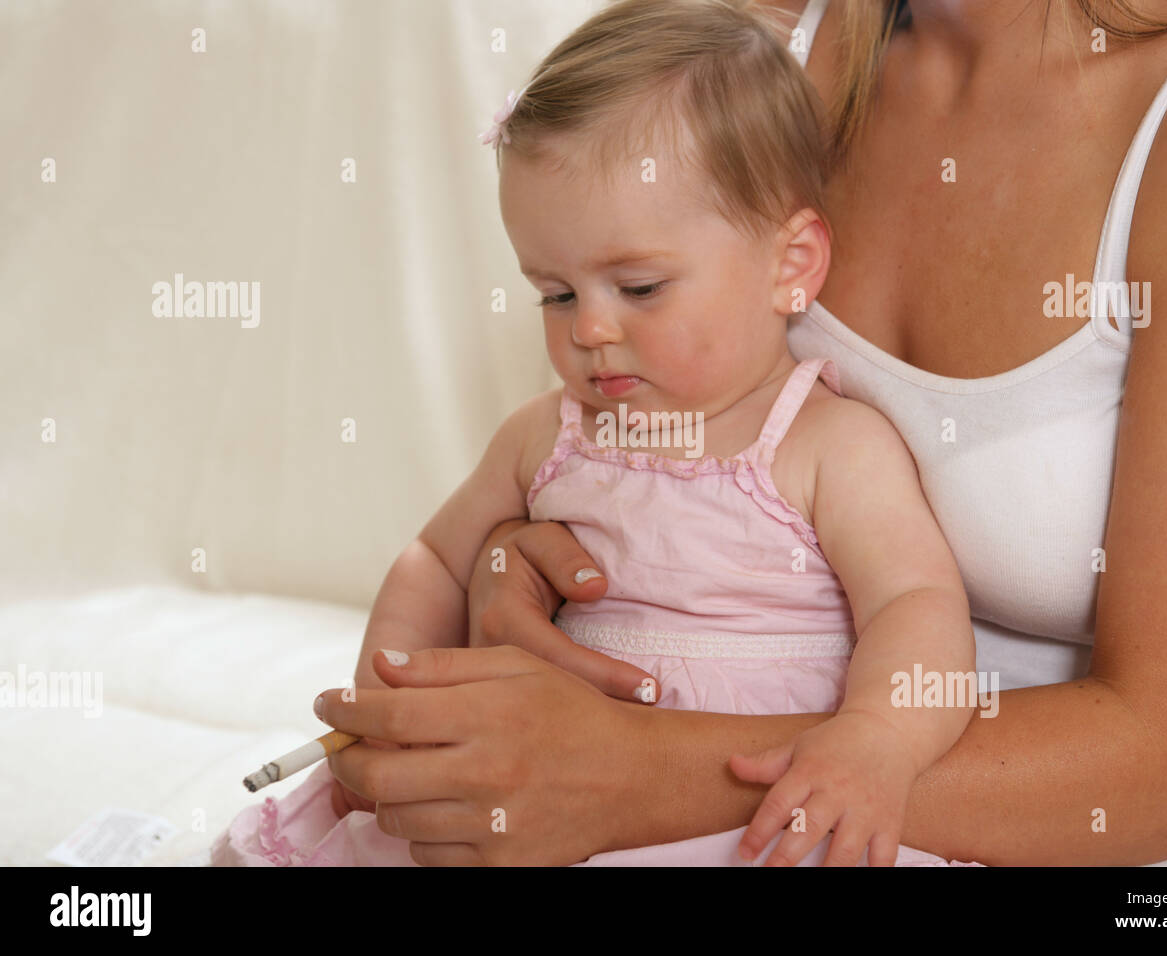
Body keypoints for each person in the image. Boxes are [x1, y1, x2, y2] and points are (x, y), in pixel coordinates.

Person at [240, 0, 1167, 866]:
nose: (588, 322)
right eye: (554, 295)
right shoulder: (740, 60)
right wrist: (512, 569)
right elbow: (621, 448)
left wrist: (636, 772)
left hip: (1067, 841)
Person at [212, 0, 991, 867]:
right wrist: (387, 701)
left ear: (790, 266)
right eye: (556, 293)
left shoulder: (828, 446)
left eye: (641, 288)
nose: (588, 330)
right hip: (541, 794)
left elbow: (915, 605)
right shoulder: (547, 436)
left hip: (737, 803)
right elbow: (434, 561)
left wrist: (880, 738)